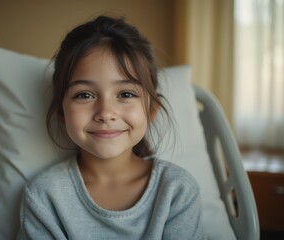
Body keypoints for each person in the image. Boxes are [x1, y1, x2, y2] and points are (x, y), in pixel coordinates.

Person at [18, 16, 206, 240]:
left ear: (151, 110)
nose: (106, 113)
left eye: (126, 94)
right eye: (84, 95)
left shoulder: (176, 191)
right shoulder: (44, 196)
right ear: (61, 112)